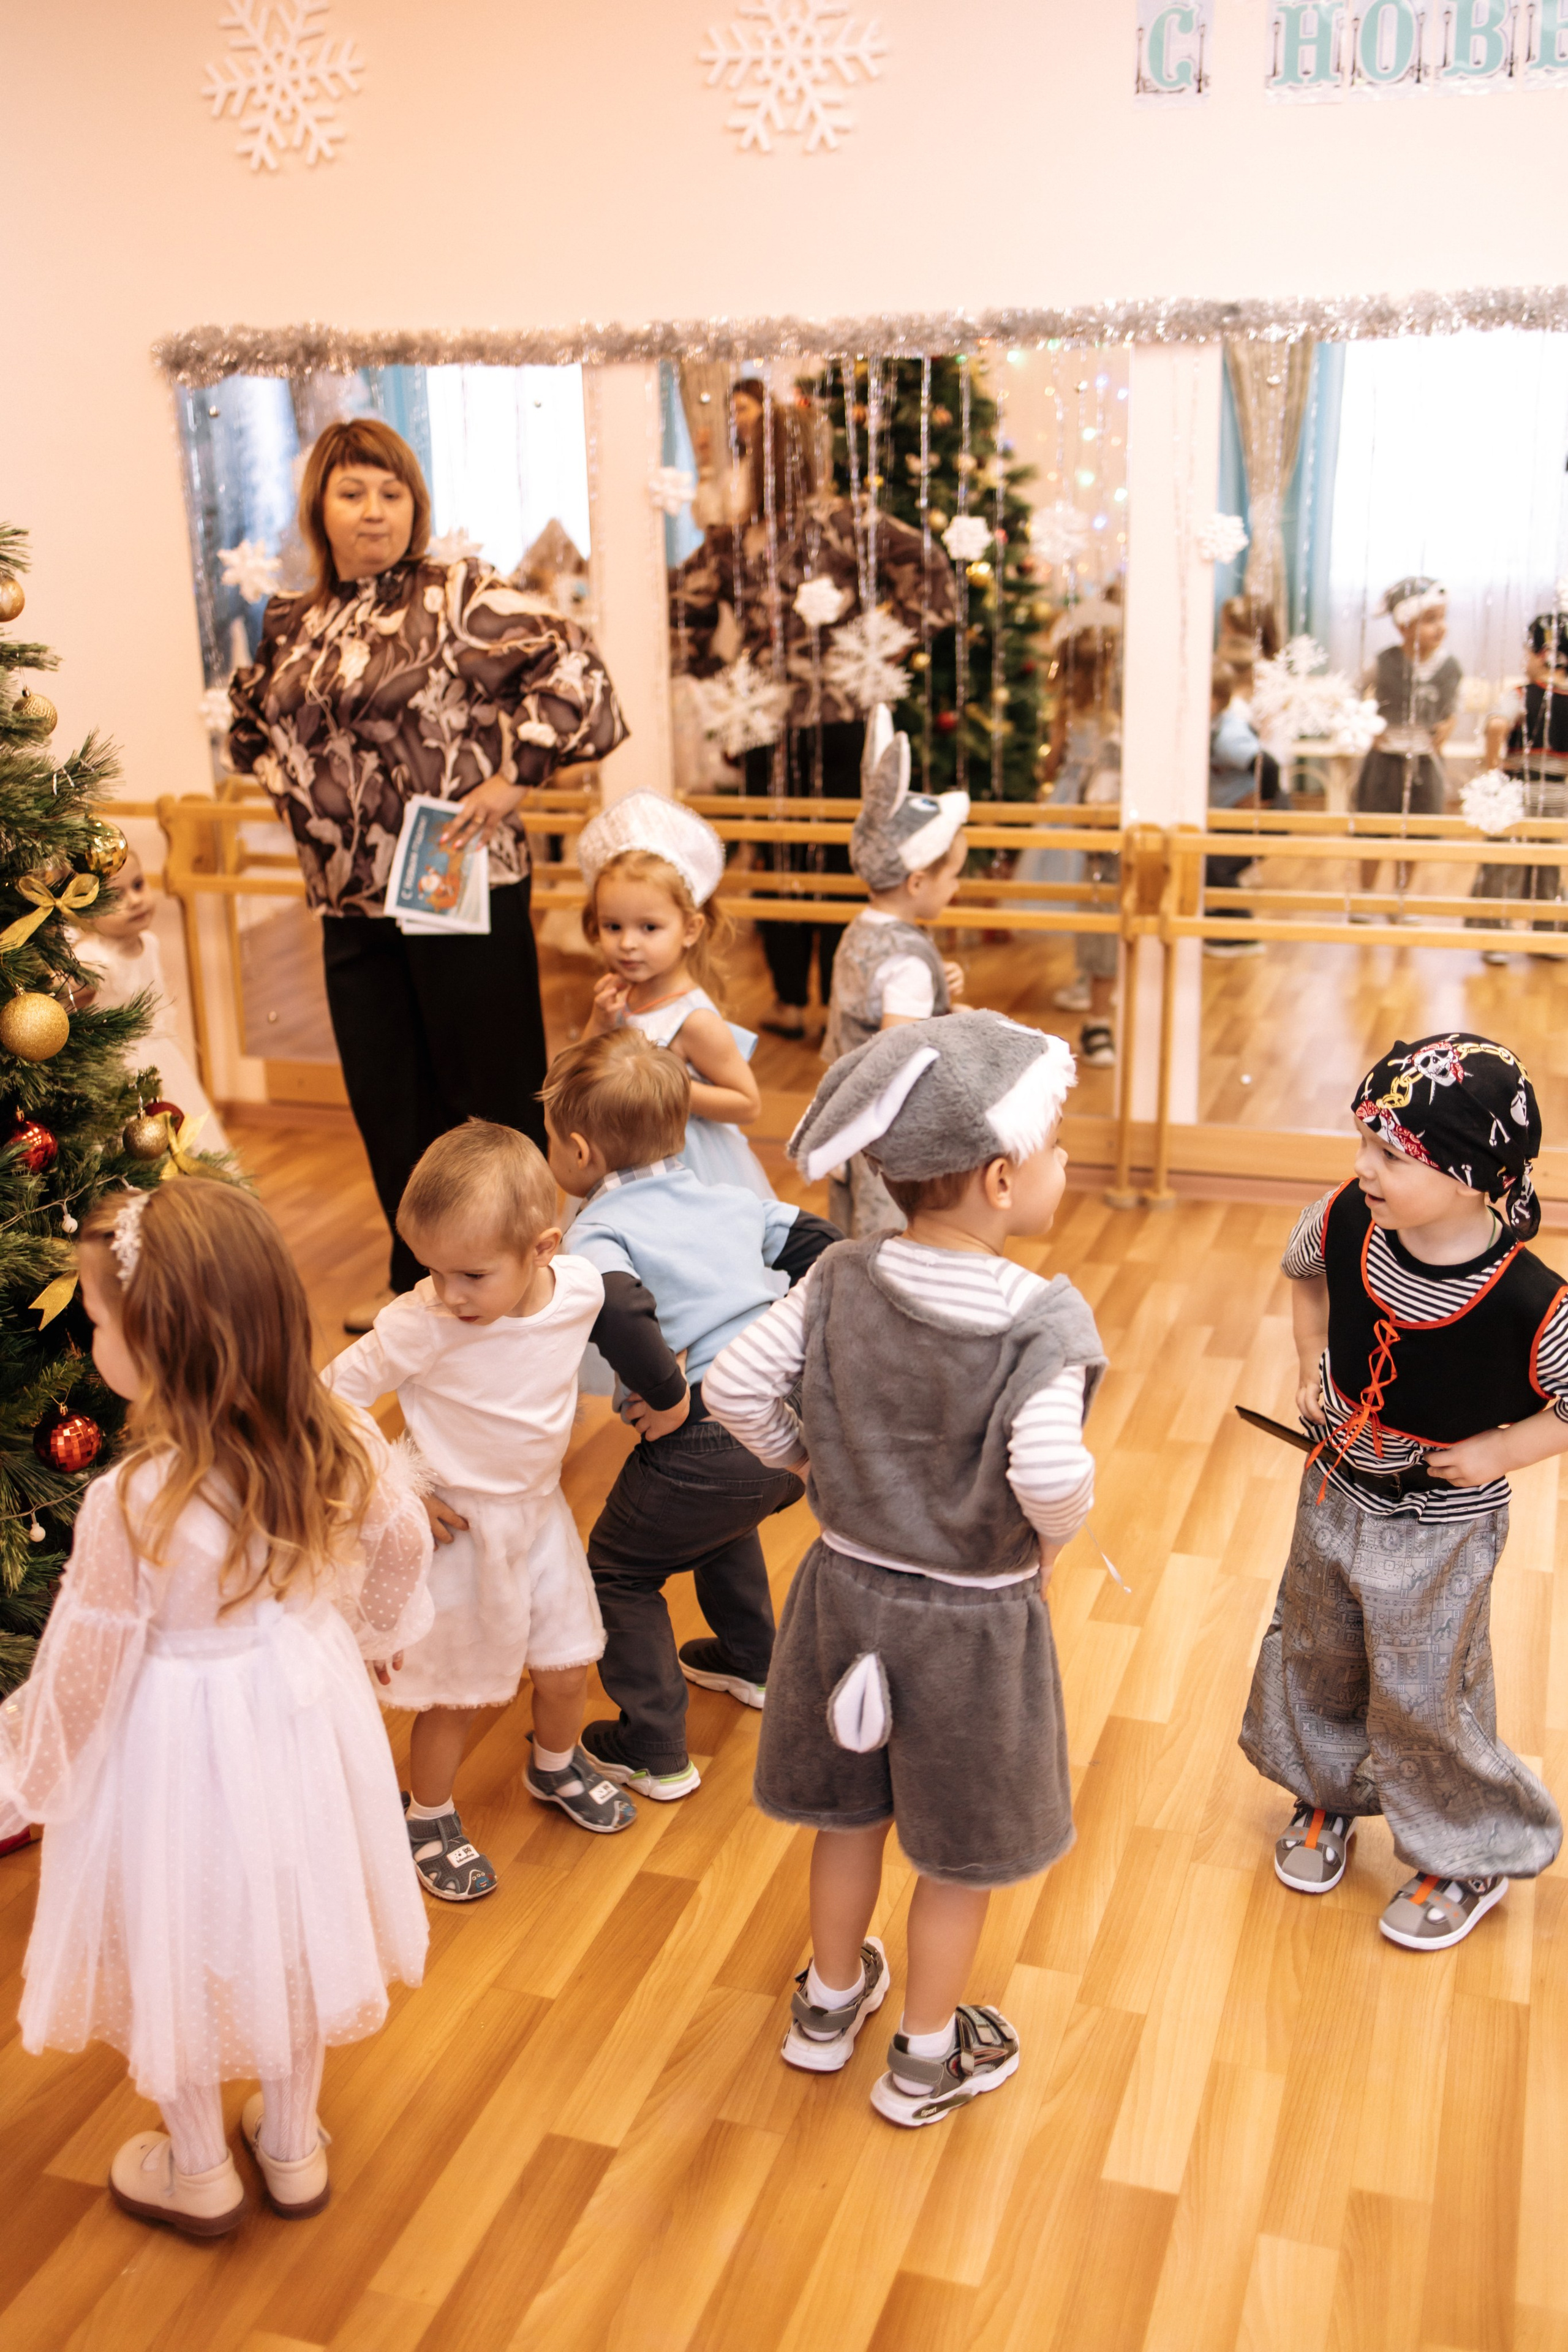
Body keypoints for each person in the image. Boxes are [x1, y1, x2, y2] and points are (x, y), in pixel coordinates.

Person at [0, 1180, 434, 2235]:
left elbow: (85, 1660)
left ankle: (197, 2170)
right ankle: (291, 2148)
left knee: (181, 1934)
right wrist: (371, 1641)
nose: (92, 1341)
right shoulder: (334, 1436)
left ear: (154, 1344)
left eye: (99, 1323)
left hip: (179, 1743)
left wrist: (27, 1780)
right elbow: (406, 1538)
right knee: (294, 1916)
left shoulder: (132, 1502)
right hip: (303, 1709)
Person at [704, 1014, 1104, 2127]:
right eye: (1057, 1145)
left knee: (849, 1816)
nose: (1066, 1162)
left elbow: (735, 1390)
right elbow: (1052, 1469)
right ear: (997, 1177)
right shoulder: (1041, 1321)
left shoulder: (839, 1276)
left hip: (845, 1597)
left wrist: (816, 1469)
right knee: (958, 1855)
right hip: (974, 1629)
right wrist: (1056, 1535)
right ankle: (926, 2057)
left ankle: (828, 2008)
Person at [227, 415, 628, 1333]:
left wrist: (512, 776)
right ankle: (423, 1280)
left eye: (392, 492)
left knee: (484, 1095)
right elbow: (254, 727)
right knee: (388, 1096)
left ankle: (526, 1281)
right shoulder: (294, 619)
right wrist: (301, 800)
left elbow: (576, 673)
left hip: (458, 884)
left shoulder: (457, 596)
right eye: (353, 492)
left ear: (416, 505)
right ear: (318, 510)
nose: (375, 512)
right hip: (349, 899)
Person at [1241, 1032, 1566, 1951]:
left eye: (1391, 1153)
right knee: (1318, 1649)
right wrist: (1310, 1362)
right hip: (1334, 1483)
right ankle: (1327, 1795)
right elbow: (1303, 1277)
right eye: (1362, 1142)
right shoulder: (1347, 1216)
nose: (1362, 1167)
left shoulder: (1532, 1299)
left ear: (1470, 1176)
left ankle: (1469, 1854)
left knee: (1427, 1689)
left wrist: (1506, 1448)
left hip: (1442, 1523)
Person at [322, 1118, 703, 1896]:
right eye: (432, 1271)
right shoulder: (418, 1323)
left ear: (543, 1250)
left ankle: (553, 1766)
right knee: (455, 1692)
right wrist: (397, 1482)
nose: (447, 1293)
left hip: (540, 1517)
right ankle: (427, 1814)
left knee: (567, 1663)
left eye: (470, 1275)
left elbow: (635, 1324)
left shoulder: (582, 1291)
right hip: (458, 1534)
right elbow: (330, 1396)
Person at [543, 1029, 840, 1800]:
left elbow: (617, 1306)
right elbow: (827, 1247)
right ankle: (753, 1662)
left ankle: (653, 1746)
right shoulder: (731, 1200)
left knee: (616, 1572)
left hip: (705, 1436)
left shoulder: (597, 1229)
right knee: (718, 1522)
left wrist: (671, 1401)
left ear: (577, 1152)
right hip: (785, 1436)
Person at [671, 382, 956, 1039]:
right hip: (834, 716)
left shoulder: (743, 538)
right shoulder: (846, 522)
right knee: (838, 858)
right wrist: (880, 642)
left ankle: (793, 1002)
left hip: (772, 719)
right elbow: (936, 577)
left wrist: (719, 675)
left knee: (782, 858)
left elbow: (679, 607)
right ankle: (832, 999)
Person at [577, 790, 771, 1199]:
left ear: (690, 929)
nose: (628, 943)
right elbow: (581, 1073)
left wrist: (666, 1087)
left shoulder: (694, 1020)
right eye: (613, 927)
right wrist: (600, 1022)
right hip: (621, 1155)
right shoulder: (619, 996)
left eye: (649, 928)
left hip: (685, 1171)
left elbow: (747, 1104)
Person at [821, 704, 970, 1235]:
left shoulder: (863, 931)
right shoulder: (907, 959)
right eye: (952, 875)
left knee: (847, 1235)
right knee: (886, 1245)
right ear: (916, 882)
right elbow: (898, 1056)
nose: (957, 886)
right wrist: (955, 1021)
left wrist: (937, 992)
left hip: (845, 1123)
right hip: (890, 1138)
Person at [1015, 611, 1122, 1069]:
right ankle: (1091, 980)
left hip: (1073, 799)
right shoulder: (1115, 711)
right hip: (1097, 804)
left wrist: (1051, 769)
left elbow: (1054, 756)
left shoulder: (1070, 708)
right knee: (1095, 892)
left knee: (1081, 888)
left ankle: (1088, 978)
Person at [67, 848, 228, 1150]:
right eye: (116, 896)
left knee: (179, 1133)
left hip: (163, 1059)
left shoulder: (150, 944)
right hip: (119, 1071)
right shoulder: (91, 959)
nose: (135, 900)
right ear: (84, 909)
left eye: (139, 885)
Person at [1352, 576, 1461, 903]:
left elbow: (1455, 705)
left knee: (1417, 832)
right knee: (1375, 830)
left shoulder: (1449, 666)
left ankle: (1402, 896)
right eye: (1430, 620)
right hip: (1385, 760)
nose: (1440, 627)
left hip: (1426, 763)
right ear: (1403, 626)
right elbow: (1354, 692)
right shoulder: (1383, 662)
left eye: (1442, 618)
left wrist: (1451, 724)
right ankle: (1367, 895)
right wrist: (1367, 725)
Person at [1472, 609, 1568, 966]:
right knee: (1548, 863)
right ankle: (1548, 933)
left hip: (1517, 791)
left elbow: (1497, 725)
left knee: (1504, 862)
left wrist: (1492, 763)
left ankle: (1494, 934)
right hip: (1557, 793)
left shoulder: (1522, 694)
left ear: (1544, 656)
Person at [1203, 662, 1265, 962]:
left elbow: (1268, 766)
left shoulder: (1228, 736)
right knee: (1211, 862)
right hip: (1234, 813)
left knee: (1217, 865)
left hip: (1261, 814)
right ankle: (1222, 919)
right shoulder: (1217, 725)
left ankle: (1243, 934)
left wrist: (1261, 803)